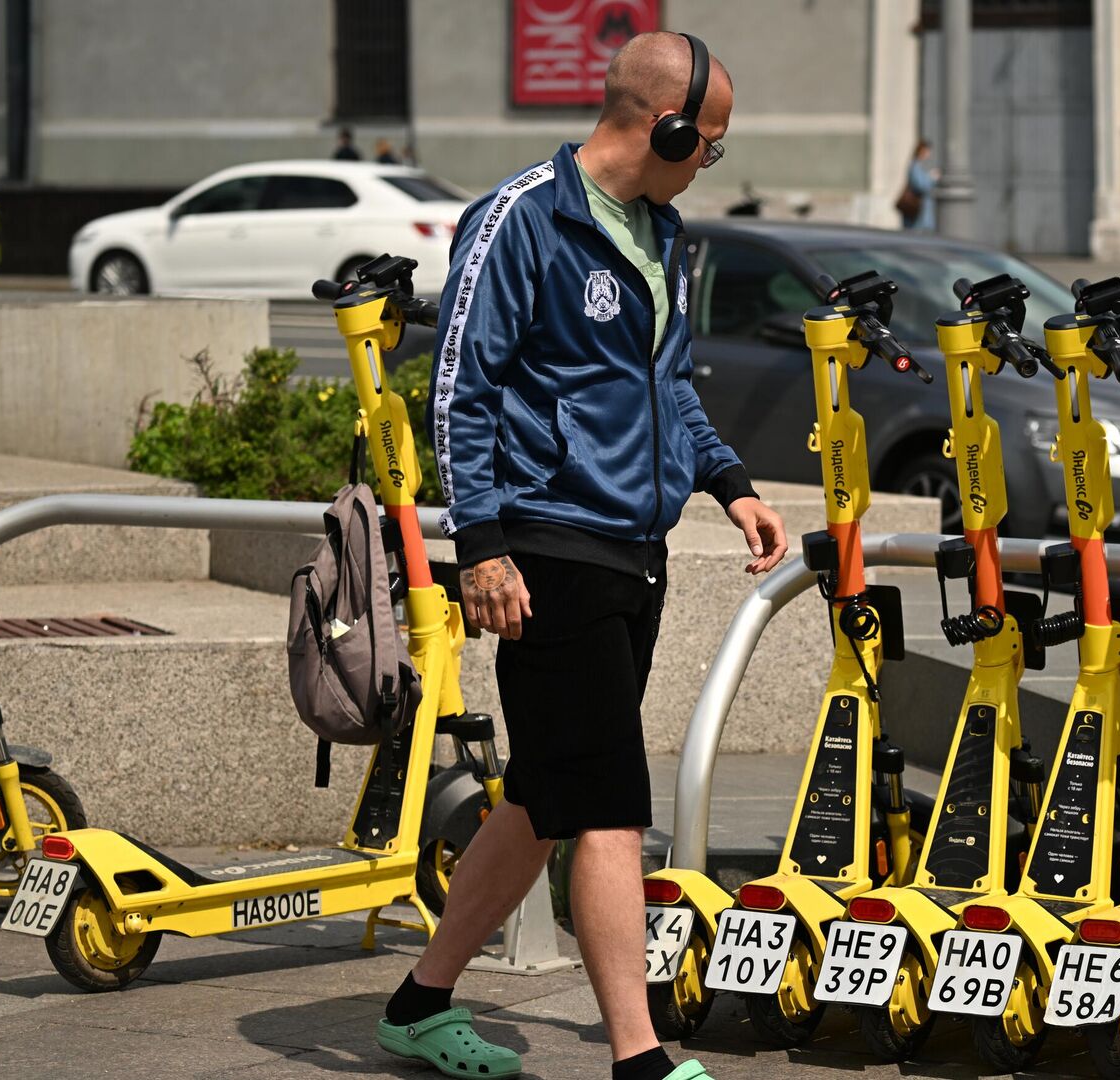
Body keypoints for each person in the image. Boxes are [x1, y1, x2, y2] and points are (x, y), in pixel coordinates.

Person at [376, 31, 784, 1080]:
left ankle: (420, 1006)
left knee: (543, 800)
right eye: (713, 144)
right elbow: (459, 387)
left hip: (632, 549)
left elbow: (672, 387)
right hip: (547, 548)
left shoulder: (663, 231)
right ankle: (639, 1058)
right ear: (670, 125)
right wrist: (482, 549)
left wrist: (732, 485)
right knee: (607, 803)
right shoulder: (522, 219)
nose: (711, 162)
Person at [899, 138, 938, 231]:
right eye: (927, 151)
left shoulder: (917, 165)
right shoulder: (914, 166)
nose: (929, 154)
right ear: (922, 151)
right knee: (917, 234)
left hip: (920, 210)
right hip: (917, 209)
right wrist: (932, 178)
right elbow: (920, 186)